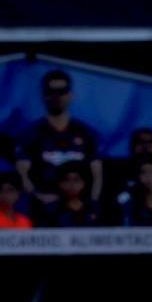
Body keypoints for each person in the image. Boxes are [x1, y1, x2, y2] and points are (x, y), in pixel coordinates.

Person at [16, 69, 103, 206]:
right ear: (43, 95)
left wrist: (91, 204)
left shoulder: (86, 133)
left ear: (71, 95)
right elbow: (22, 174)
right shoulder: (31, 133)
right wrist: (38, 197)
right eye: (50, 92)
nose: (56, 97)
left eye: (62, 91)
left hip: (79, 208)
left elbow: (97, 175)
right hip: (44, 209)